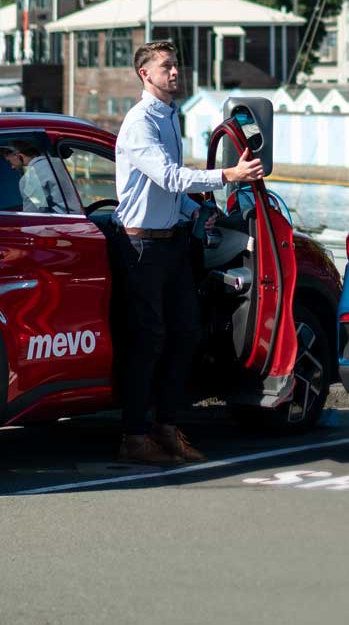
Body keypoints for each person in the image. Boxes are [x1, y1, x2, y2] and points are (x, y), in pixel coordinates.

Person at [111, 39, 263, 466]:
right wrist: (228, 175)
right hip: (141, 247)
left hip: (172, 243)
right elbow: (169, 176)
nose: (175, 72)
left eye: (176, 65)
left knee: (185, 336)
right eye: (166, 66)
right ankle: (134, 437)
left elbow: (171, 192)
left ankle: (166, 427)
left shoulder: (168, 116)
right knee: (148, 341)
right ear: (145, 74)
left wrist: (198, 211)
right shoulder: (140, 122)